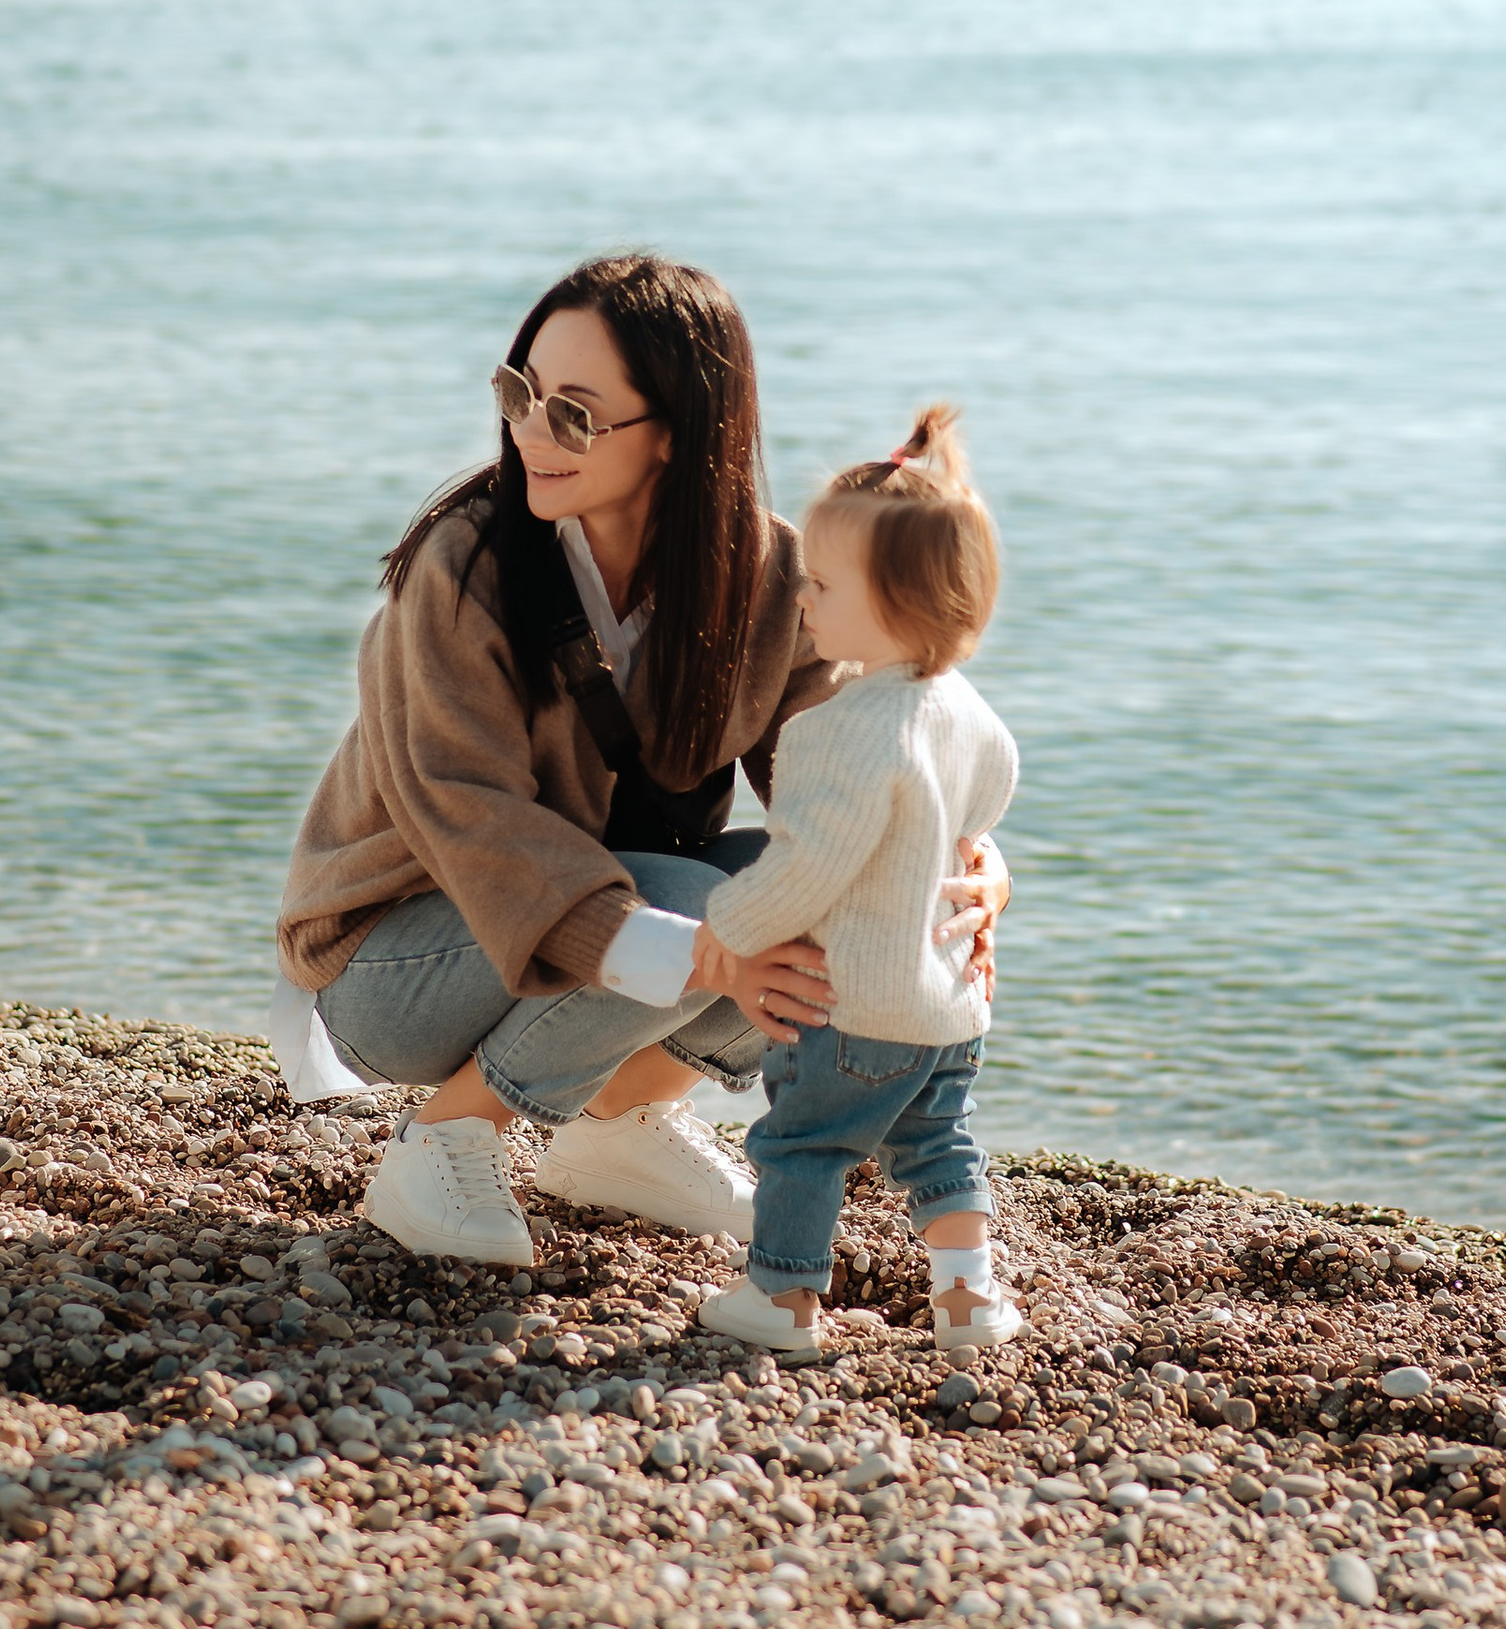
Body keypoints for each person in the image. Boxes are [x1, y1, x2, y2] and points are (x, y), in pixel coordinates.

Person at [270, 252, 1005, 1271]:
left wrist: (963, 869)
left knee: (835, 890)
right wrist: (709, 951)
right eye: (520, 394)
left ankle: (618, 1123)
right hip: (394, 964)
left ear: (679, 433)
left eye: (573, 413)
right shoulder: (464, 568)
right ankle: (445, 1136)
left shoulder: (770, 571)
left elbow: (856, 767)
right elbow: (473, 820)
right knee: (711, 908)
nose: (530, 431)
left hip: (608, 928)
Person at [694, 406, 1025, 1366]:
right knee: (940, 1147)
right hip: (950, 1004)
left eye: (823, 584)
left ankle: (782, 1296)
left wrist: (730, 925)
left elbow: (810, 862)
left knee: (803, 1144)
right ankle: (968, 1300)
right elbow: (980, 820)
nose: (801, 593)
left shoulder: (841, 729)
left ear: (896, 610)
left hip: (855, 1002)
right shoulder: (970, 715)